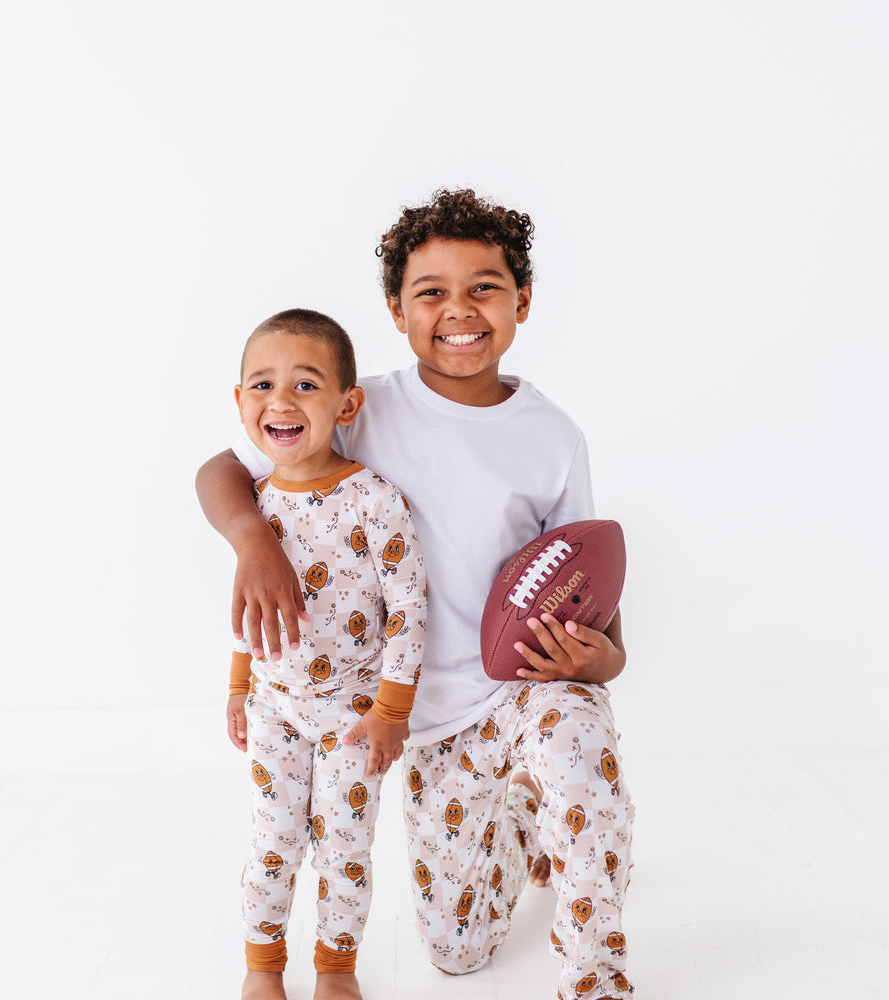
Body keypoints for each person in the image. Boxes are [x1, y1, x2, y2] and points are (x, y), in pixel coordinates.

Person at [197, 191, 636, 1000]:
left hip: (519, 687)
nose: (459, 310)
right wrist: (252, 540)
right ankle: (523, 826)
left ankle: (595, 978)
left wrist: (601, 660)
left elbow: (592, 583)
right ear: (397, 311)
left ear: (522, 301)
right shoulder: (352, 405)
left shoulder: (552, 437)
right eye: (431, 291)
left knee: (581, 748)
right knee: (458, 954)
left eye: (484, 287)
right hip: (411, 722)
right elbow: (221, 469)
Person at [224, 308, 427, 1000]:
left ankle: (336, 970)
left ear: (347, 405)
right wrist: (238, 686)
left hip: (356, 715)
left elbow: (409, 612)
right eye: (262, 385)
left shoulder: (374, 500)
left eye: (305, 385)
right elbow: (249, 610)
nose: (280, 401)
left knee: (343, 845)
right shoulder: (254, 506)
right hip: (274, 709)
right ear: (240, 402)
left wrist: (391, 712)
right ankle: (262, 966)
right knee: (273, 841)